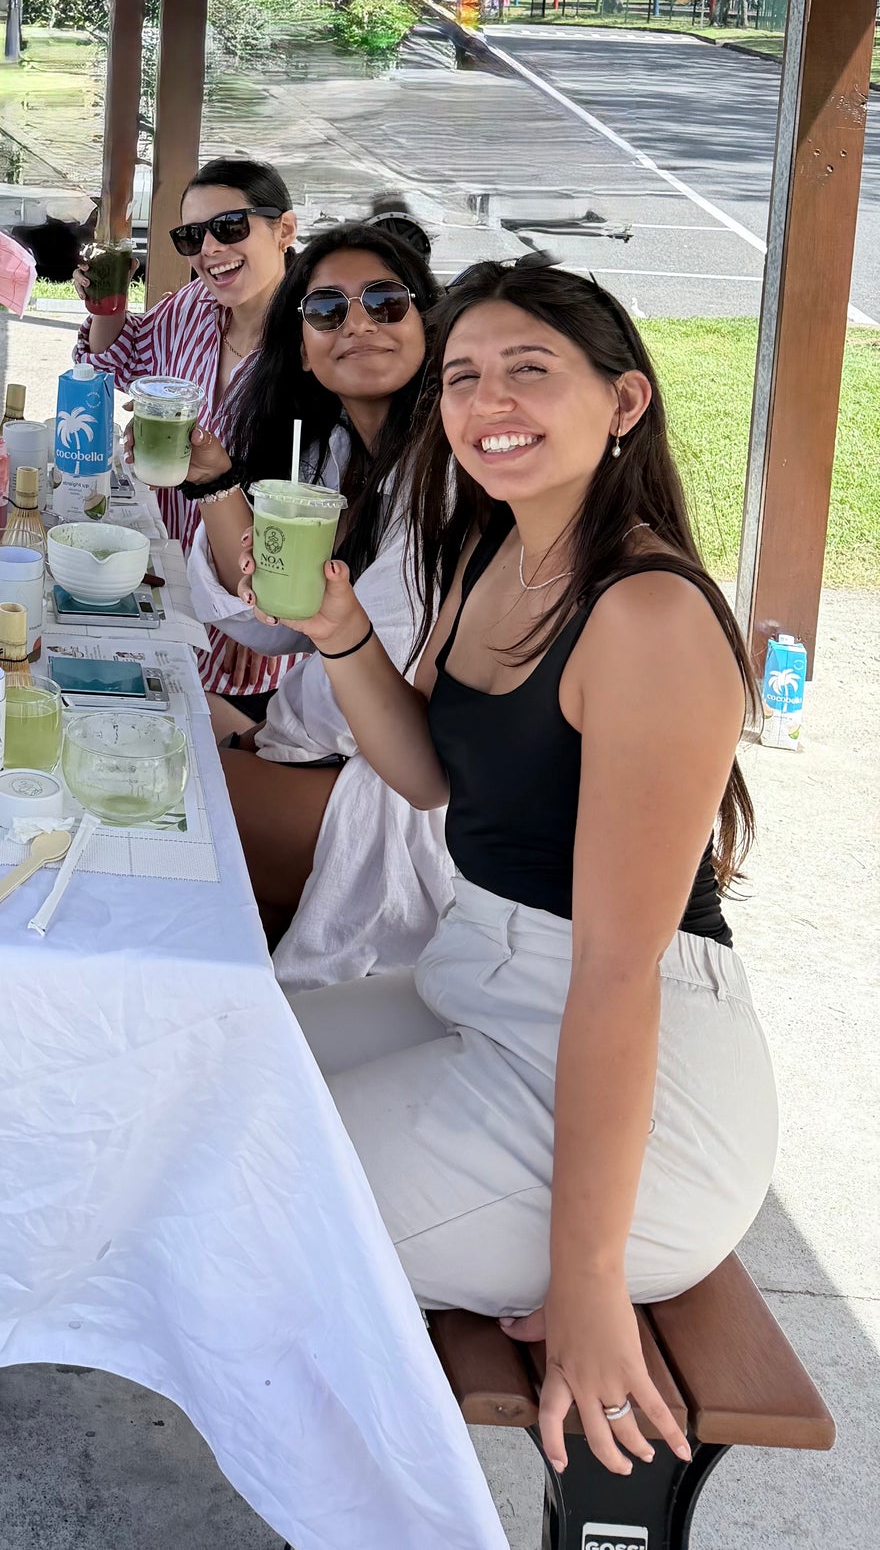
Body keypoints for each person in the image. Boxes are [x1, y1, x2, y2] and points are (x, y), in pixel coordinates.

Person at [273, 258, 776, 1481]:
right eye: (461, 377)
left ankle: (350, 1495)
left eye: (528, 370)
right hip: (481, 986)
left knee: (253, 1191)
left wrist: (587, 1285)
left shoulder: (647, 616)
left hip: (643, 1089)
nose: (486, 401)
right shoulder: (489, 551)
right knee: (221, 1059)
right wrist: (338, 631)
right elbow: (427, 776)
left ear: (622, 401)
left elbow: (616, 975)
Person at [187, 216, 451, 986]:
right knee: (166, 706)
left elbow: (368, 679)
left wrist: (260, 738)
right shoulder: (339, 456)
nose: (358, 323)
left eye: (385, 302)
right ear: (303, 346)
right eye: (328, 310)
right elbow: (270, 626)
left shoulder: (443, 477)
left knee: (153, 781)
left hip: (394, 802)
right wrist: (214, 480)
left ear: (428, 324)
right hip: (328, 752)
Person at [75, 154, 298, 699]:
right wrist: (107, 303)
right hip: (173, 575)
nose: (210, 249)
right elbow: (117, 365)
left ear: (285, 230)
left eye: (230, 227)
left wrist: (262, 624)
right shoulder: (195, 307)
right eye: (192, 236)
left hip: (253, 615)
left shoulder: (312, 346)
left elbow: (311, 498)